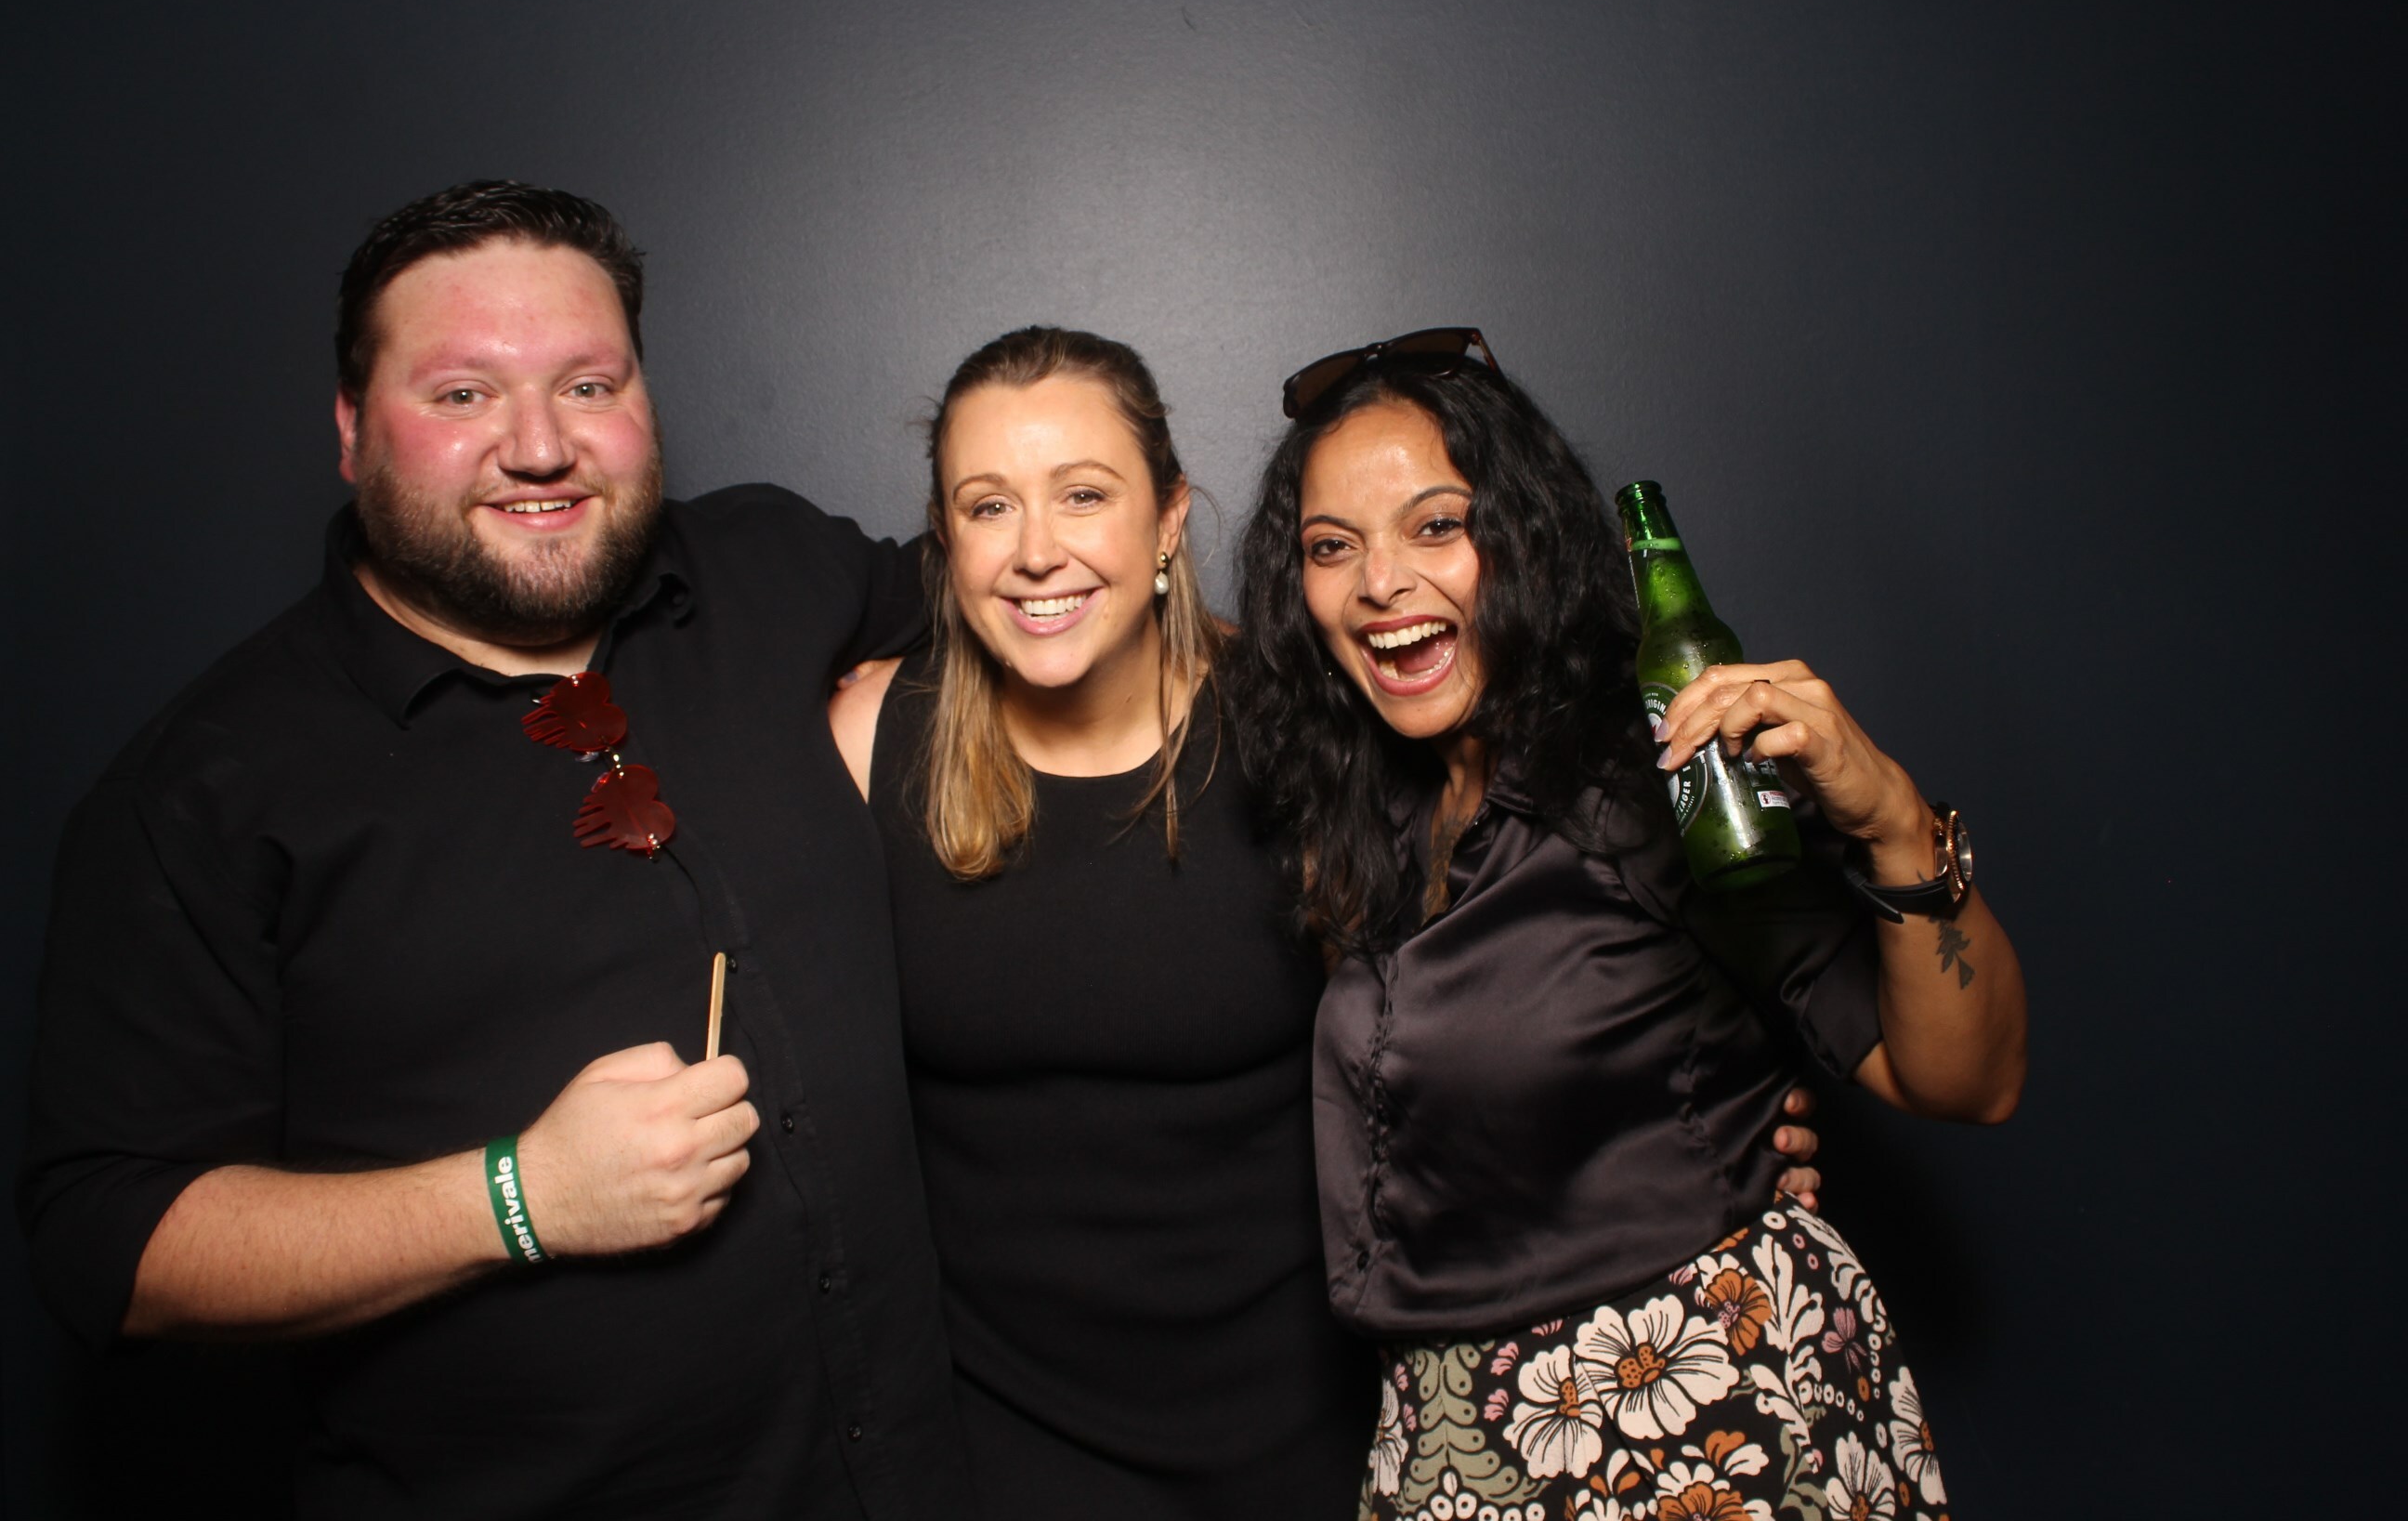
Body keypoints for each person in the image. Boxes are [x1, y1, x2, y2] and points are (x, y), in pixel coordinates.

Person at [18, 181, 970, 1518]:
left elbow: (1050, 609)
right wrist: (519, 1200)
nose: (539, 447)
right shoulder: (205, 789)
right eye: (463, 394)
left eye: (588, 385)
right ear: (350, 430)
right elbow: (110, 1245)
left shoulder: (773, 567)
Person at [827, 327, 1830, 1517]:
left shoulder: (1306, 731)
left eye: (1084, 494)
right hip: (1000, 1449)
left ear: (1169, 520)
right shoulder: (872, 740)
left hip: (1314, 1436)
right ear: (944, 541)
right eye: (989, 506)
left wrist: (1707, 1120)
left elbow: (1499, 981)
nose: (1038, 549)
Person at [1230, 333, 2027, 1521]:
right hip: (1454, 1445)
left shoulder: (1646, 777)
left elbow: (1966, 1079)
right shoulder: (1369, 819)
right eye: (1331, 547)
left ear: (1528, 537)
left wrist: (1898, 822)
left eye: (1437, 526)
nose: (1379, 583)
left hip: (1695, 1423)